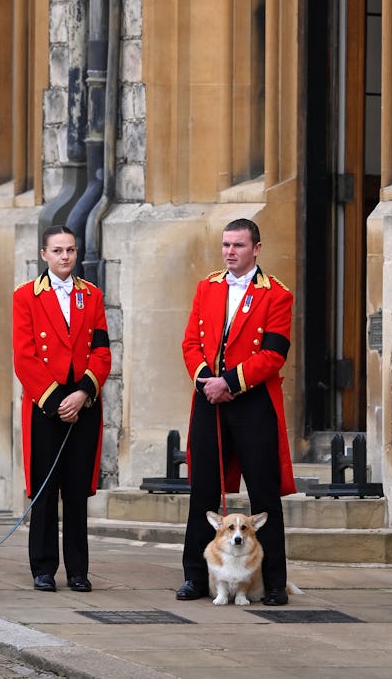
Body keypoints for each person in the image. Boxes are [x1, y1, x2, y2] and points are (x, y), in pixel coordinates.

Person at [176, 218, 296, 605]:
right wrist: (208, 381)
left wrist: (229, 381)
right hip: (209, 400)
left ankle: (274, 583)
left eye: (239, 245)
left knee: (263, 496)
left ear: (256, 248)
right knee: (203, 493)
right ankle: (195, 578)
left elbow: (274, 354)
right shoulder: (206, 287)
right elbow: (190, 343)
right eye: (226, 245)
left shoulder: (276, 294)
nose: (230, 252)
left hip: (252, 402)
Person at [12, 225, 111, 593]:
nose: (65, 256)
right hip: (45, 405)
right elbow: (24, 358)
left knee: (75, 490)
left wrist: (83, 392)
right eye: (57, 250)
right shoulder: (26, 296)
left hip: (83, 403)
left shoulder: (93, 295)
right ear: (44, 254)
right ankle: (42, 567)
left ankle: (78, 570)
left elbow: (102, 350)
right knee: (44, 489)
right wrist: (57, 402)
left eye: (70, 250)